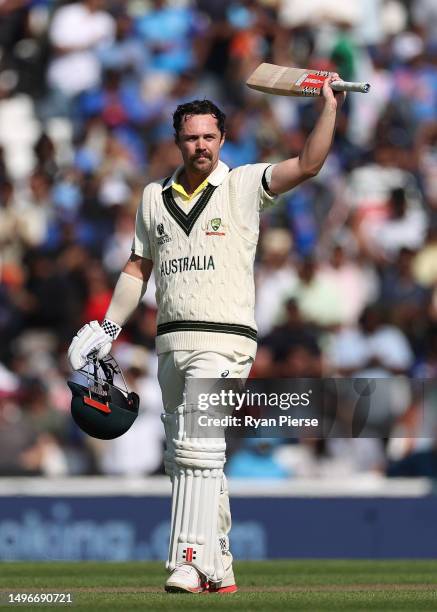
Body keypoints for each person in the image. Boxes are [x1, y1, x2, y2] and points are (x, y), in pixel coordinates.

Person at [67, 77, 345, 593]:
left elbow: (307, 164)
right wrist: (109, 325)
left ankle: (188, 561)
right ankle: (219, 560)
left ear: (223, 139)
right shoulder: (153, 198)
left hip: (225, 340)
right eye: (192, 138)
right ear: (178, 141)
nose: (201, 146)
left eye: (209, 137)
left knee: (198, 446)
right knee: (184, 457)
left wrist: (326, 107)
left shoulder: (242, 185)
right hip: (170, 341)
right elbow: (137, 267)